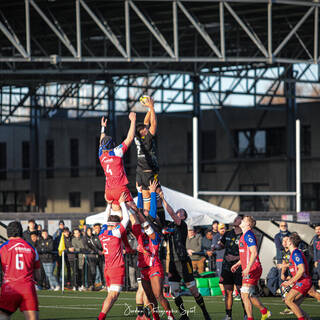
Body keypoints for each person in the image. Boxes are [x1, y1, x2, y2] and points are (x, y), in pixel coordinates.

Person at [160, 191, 211, 320]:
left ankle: (205, 313)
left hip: (183, 260)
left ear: (183, 217)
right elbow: (161, 222)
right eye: (177, 211)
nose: (178, 212)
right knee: (174, 291)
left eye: (181, 212)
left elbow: (170, 213)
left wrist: (162, 198)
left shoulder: (182, 225)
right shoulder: (170, 225)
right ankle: (184, 315)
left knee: (193, 290)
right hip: (172, 261)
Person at [132, 181, 175, 320]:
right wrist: (139, 192)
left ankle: (170, 316)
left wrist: (151, 193)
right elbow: (139, 213)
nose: (144, 213)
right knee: (149, 298)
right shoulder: (140, 232)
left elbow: (149, 214)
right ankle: (155, 317)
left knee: (158, 295)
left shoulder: (154, 234)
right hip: (143, 268)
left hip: (154, 267)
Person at [97, 192, 130, 320]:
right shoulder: (115, 233)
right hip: (116, 268)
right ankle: (100, 317)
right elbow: (126, 219)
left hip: (108, 268)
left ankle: (102, 316)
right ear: (116, 225)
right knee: (113, 295)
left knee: (112, 296)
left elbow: (106, 219)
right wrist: (122, 203)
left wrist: (109, 204)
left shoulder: (103, 232)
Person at [231, 216, 271, 320]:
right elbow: (246, 254)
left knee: (244, 295)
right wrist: (238, 264)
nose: (241, 221)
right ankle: (264, 311)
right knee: (250, 295)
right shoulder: (244, 235)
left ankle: (250, 318)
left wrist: (248, 268)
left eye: (243, 220)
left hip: (253, 268)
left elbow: (254, 252)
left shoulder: (249, 235)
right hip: (250, 267)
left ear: (248, 224)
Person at [0, 221, 41, 320]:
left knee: (3, 316)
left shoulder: (2, 248)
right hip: (27, 288)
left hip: (9, 288)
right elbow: (38, 273)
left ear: (8, 233)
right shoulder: (31, 248)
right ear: (21, 233)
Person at [99, 112, 136, 207]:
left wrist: (103, 128)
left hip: (108, 191)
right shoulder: (117, 152)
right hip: (119, 188)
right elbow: (130, 138)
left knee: (117, 214)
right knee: (135, 212)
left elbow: (101, 142)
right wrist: (133, 120)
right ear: (113, 144)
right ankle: (145, 223)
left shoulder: (101, 155)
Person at [212, 215, 245, 320]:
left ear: (242, 221)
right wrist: (215, 247)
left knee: (242, 292)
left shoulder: (245, 235)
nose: (234, 219)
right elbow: (221, 245)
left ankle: (246, 314)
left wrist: (235, 257)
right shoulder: (227, 233)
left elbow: (250, 253)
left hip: (240, 267)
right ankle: (228, 315)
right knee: (228, 292)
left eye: (238, 218)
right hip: (226, 267)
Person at [134, 96, 160, 211]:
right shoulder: (147, 139)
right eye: (145, 128)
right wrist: (152, 107)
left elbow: (146, 122)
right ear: (143, 132)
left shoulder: (138, 138)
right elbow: (153, 124)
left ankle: (146, 222)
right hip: (149, 172)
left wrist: (149, 110)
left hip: (140, 173)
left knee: (146, 201)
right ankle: (157, 222)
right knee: (159, 197)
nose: (147, 127)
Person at [281, 233, 312, 320]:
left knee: (288, 300)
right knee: (292, 304)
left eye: (287, 240)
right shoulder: (293, 254)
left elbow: (301, 269)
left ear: (290, 243)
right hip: (302, 281)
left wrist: (290, 282)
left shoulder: (296, 253)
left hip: (303, 281)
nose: (285, 242)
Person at [212, 223, 226, 297]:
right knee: (221, 277)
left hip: (228, 259)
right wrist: (222, 244)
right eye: (221, 228)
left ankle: (235, 293)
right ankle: (224, 294)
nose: (223, 230)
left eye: (224, 228)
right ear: (218, 229)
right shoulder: (216, 236)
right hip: (220, 259)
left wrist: (221, 244)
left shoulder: (227, 235)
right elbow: (215, 246)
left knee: (232, 277)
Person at [312, 224, 320, 290]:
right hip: (318, 260)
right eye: (316, 229)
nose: (318, 231)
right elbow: (315, 250)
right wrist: (315, 260)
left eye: (319, 229)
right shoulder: (315, 238)